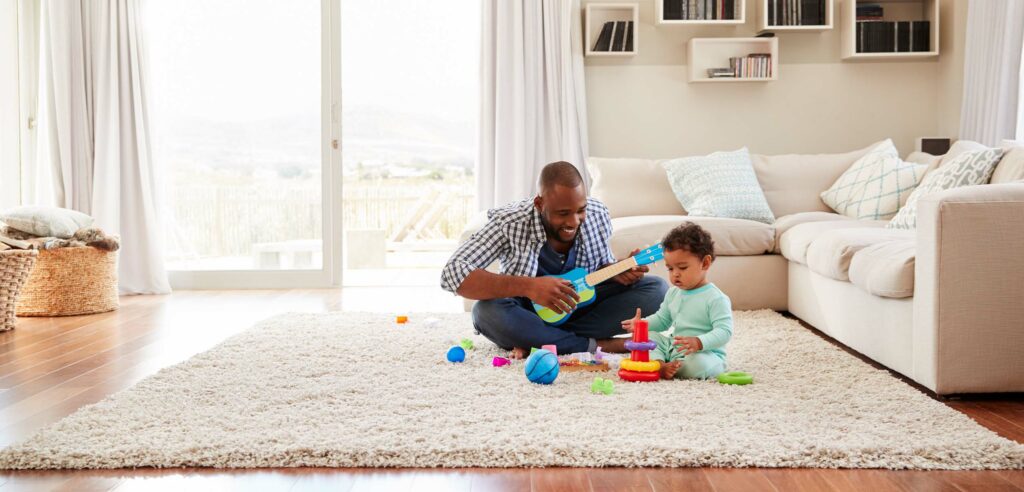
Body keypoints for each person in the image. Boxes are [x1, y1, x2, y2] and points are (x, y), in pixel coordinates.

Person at [441, 161, 667, 358]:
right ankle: (596, 345)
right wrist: (530, 287)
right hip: (526, 311)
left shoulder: (597, 214)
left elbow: (599, 272)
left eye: (580, 210)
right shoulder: (509, 222)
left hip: (579, 308)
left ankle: (540, 340)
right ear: (539, 204)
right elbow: (452, 273)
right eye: (563, 213)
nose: (574, 221)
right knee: (486, 312)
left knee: (656, 289)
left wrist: (617, 272)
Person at [621, 222, 732, 380]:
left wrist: (698, 342)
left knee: (698, 365)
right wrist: (642, 325)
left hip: (704, 352)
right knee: (650, 338)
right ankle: (660, 365)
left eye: (682, 267)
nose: (675, 274)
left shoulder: (716, 298)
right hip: (675, 347)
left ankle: (663, 366)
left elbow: (724, 332)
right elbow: (662, 319)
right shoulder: (673, 293)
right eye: (670, 268)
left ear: (705, 263)